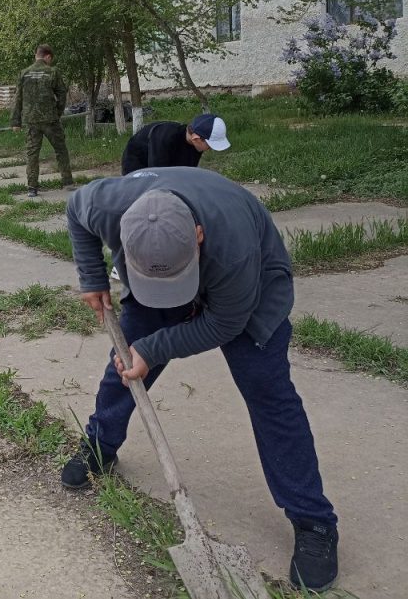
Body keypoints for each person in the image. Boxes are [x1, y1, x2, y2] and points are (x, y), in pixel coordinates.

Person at [61, 167, 338, 591]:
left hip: (250, 293)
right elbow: (74, 211)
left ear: (198, 236)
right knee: (122, 369)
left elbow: (224, 323)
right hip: (160, 270)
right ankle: (100, 443)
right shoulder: (107, 205)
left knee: (269, 394)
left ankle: (314, 522)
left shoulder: (235, 248)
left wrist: (151, 351)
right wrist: (92, 277)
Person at [10, 44, 73, 197]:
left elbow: (17, 98)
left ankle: (32, 188)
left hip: (31, 121)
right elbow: (62, 94)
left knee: (32, 154)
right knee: (61, 150)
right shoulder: (53, 72)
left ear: (36, 55)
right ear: (48, 57)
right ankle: (67, 183)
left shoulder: (24, 73)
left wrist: (15, 121)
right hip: (51, 120)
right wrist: (57, 112)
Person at [121, 113, 230, 175]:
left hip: (164, 163)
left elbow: (186, 174)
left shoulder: (195, 145)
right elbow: (157, 175)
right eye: (210, 145)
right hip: (137, 163)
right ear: (196, 138)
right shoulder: (165, 138)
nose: (210, 149)